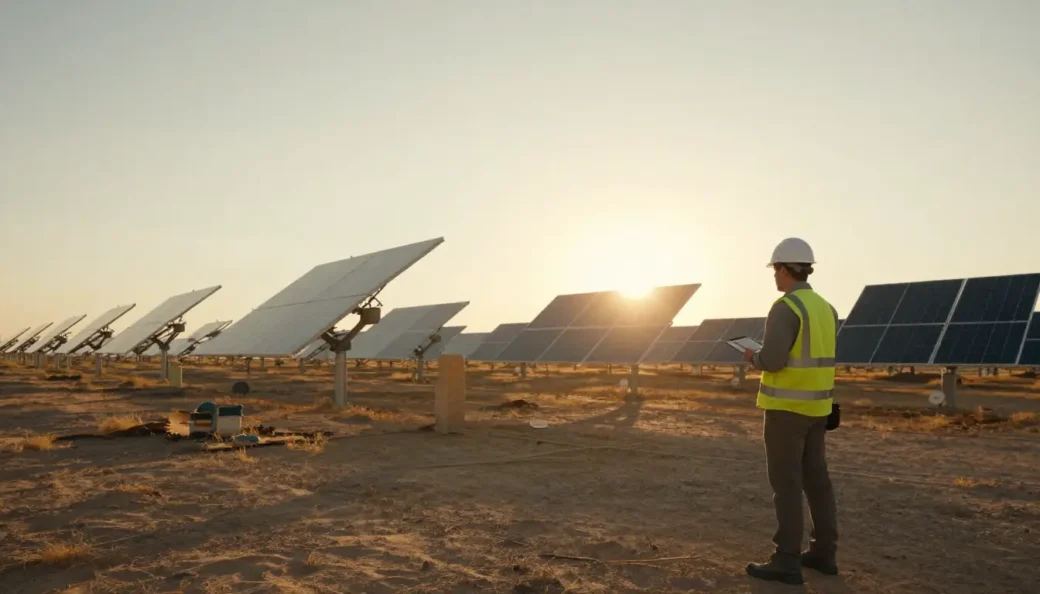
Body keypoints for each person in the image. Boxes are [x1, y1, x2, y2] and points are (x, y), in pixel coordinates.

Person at [743, 237, 840, 585]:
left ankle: (786, 559)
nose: (774, 277)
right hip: (818, 408)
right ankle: (824, 553)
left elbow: (773, 360)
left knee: (786, 485)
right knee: (818, 482)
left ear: (784, 269)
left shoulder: (786, 308)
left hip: (786, 410)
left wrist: (753, 357)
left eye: (775, 270)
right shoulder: (826, 308)